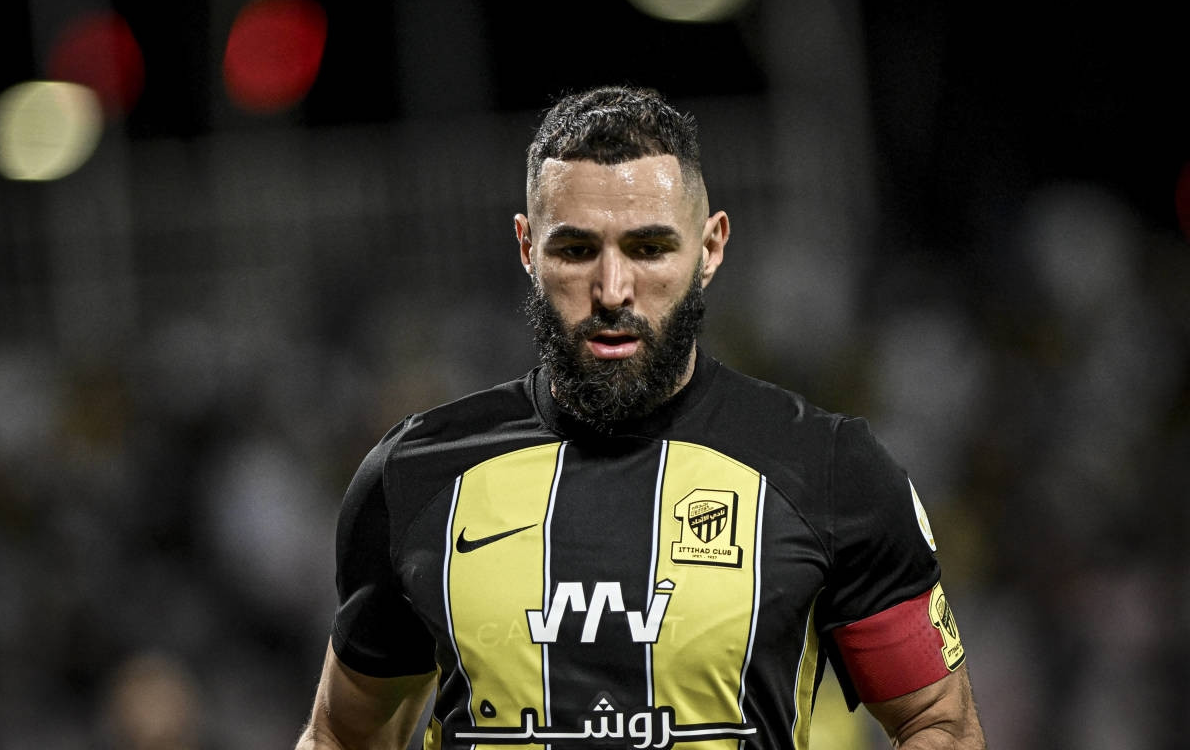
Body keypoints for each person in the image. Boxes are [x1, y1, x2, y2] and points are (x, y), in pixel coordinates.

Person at [296, 85, 986, 750]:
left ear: (709, 249)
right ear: (527, 248)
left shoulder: (829, 470)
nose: (612, 289)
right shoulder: (414, 478)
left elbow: (937, 723)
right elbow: (343, 735)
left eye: (649, 248)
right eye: (575, 250)